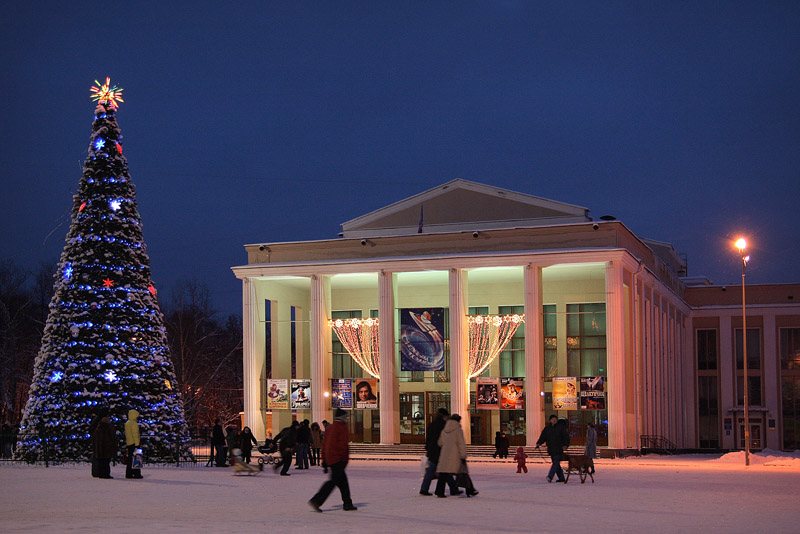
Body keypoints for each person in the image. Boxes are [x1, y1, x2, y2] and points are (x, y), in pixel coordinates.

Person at [308, 408, 357, 512]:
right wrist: (344, 459)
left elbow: (325, 445)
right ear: (343, 418)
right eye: (346, 417)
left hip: (331, 459)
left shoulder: (330, 428)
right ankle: (316, 500)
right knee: (333, 482)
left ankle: (347, 503)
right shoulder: (342, 428)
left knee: (343, 482)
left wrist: (325, 460)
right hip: (338, 459)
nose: (347, 419)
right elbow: (343, 445)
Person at [419, 408, 459, 496]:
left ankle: (424, 488)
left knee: (431, 471)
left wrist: (428, 448)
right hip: (441, 451)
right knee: (445, 471)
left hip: (432, 451)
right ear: (444, 416)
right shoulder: (444, 426)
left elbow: (428, 438)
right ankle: (452, 488)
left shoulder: (432, 424)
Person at [435, 413, 476, 497]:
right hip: (455, 455)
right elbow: (461, 444)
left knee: (443, 474)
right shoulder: (458, 430)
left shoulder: (444, 430)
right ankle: (470, 490)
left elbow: (440, 443)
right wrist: (463, 455)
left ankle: (439, 492)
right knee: (463, 472)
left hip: (445, 455)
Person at [536, 414, 570, 483]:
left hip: (559, 448)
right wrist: (539, 443)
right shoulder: (547, 429)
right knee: (556, 463)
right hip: (551, 448)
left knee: (555, 462)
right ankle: (561, 478)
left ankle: (550, 476)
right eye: (552, 419)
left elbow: (566, 437)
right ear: (550, 420)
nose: (554, 420)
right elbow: (543, 437)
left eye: (555, 419)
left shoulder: (561, 428)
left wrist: (565, 445)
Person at [124, 409, 143, 479]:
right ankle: (137, 473)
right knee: (137, 459)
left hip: (129, 443)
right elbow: (135, 435)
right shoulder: (134, 423)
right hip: (134, 443)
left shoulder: (127, 423)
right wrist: (137, 444)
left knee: (130, 459)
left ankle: (129, 473)